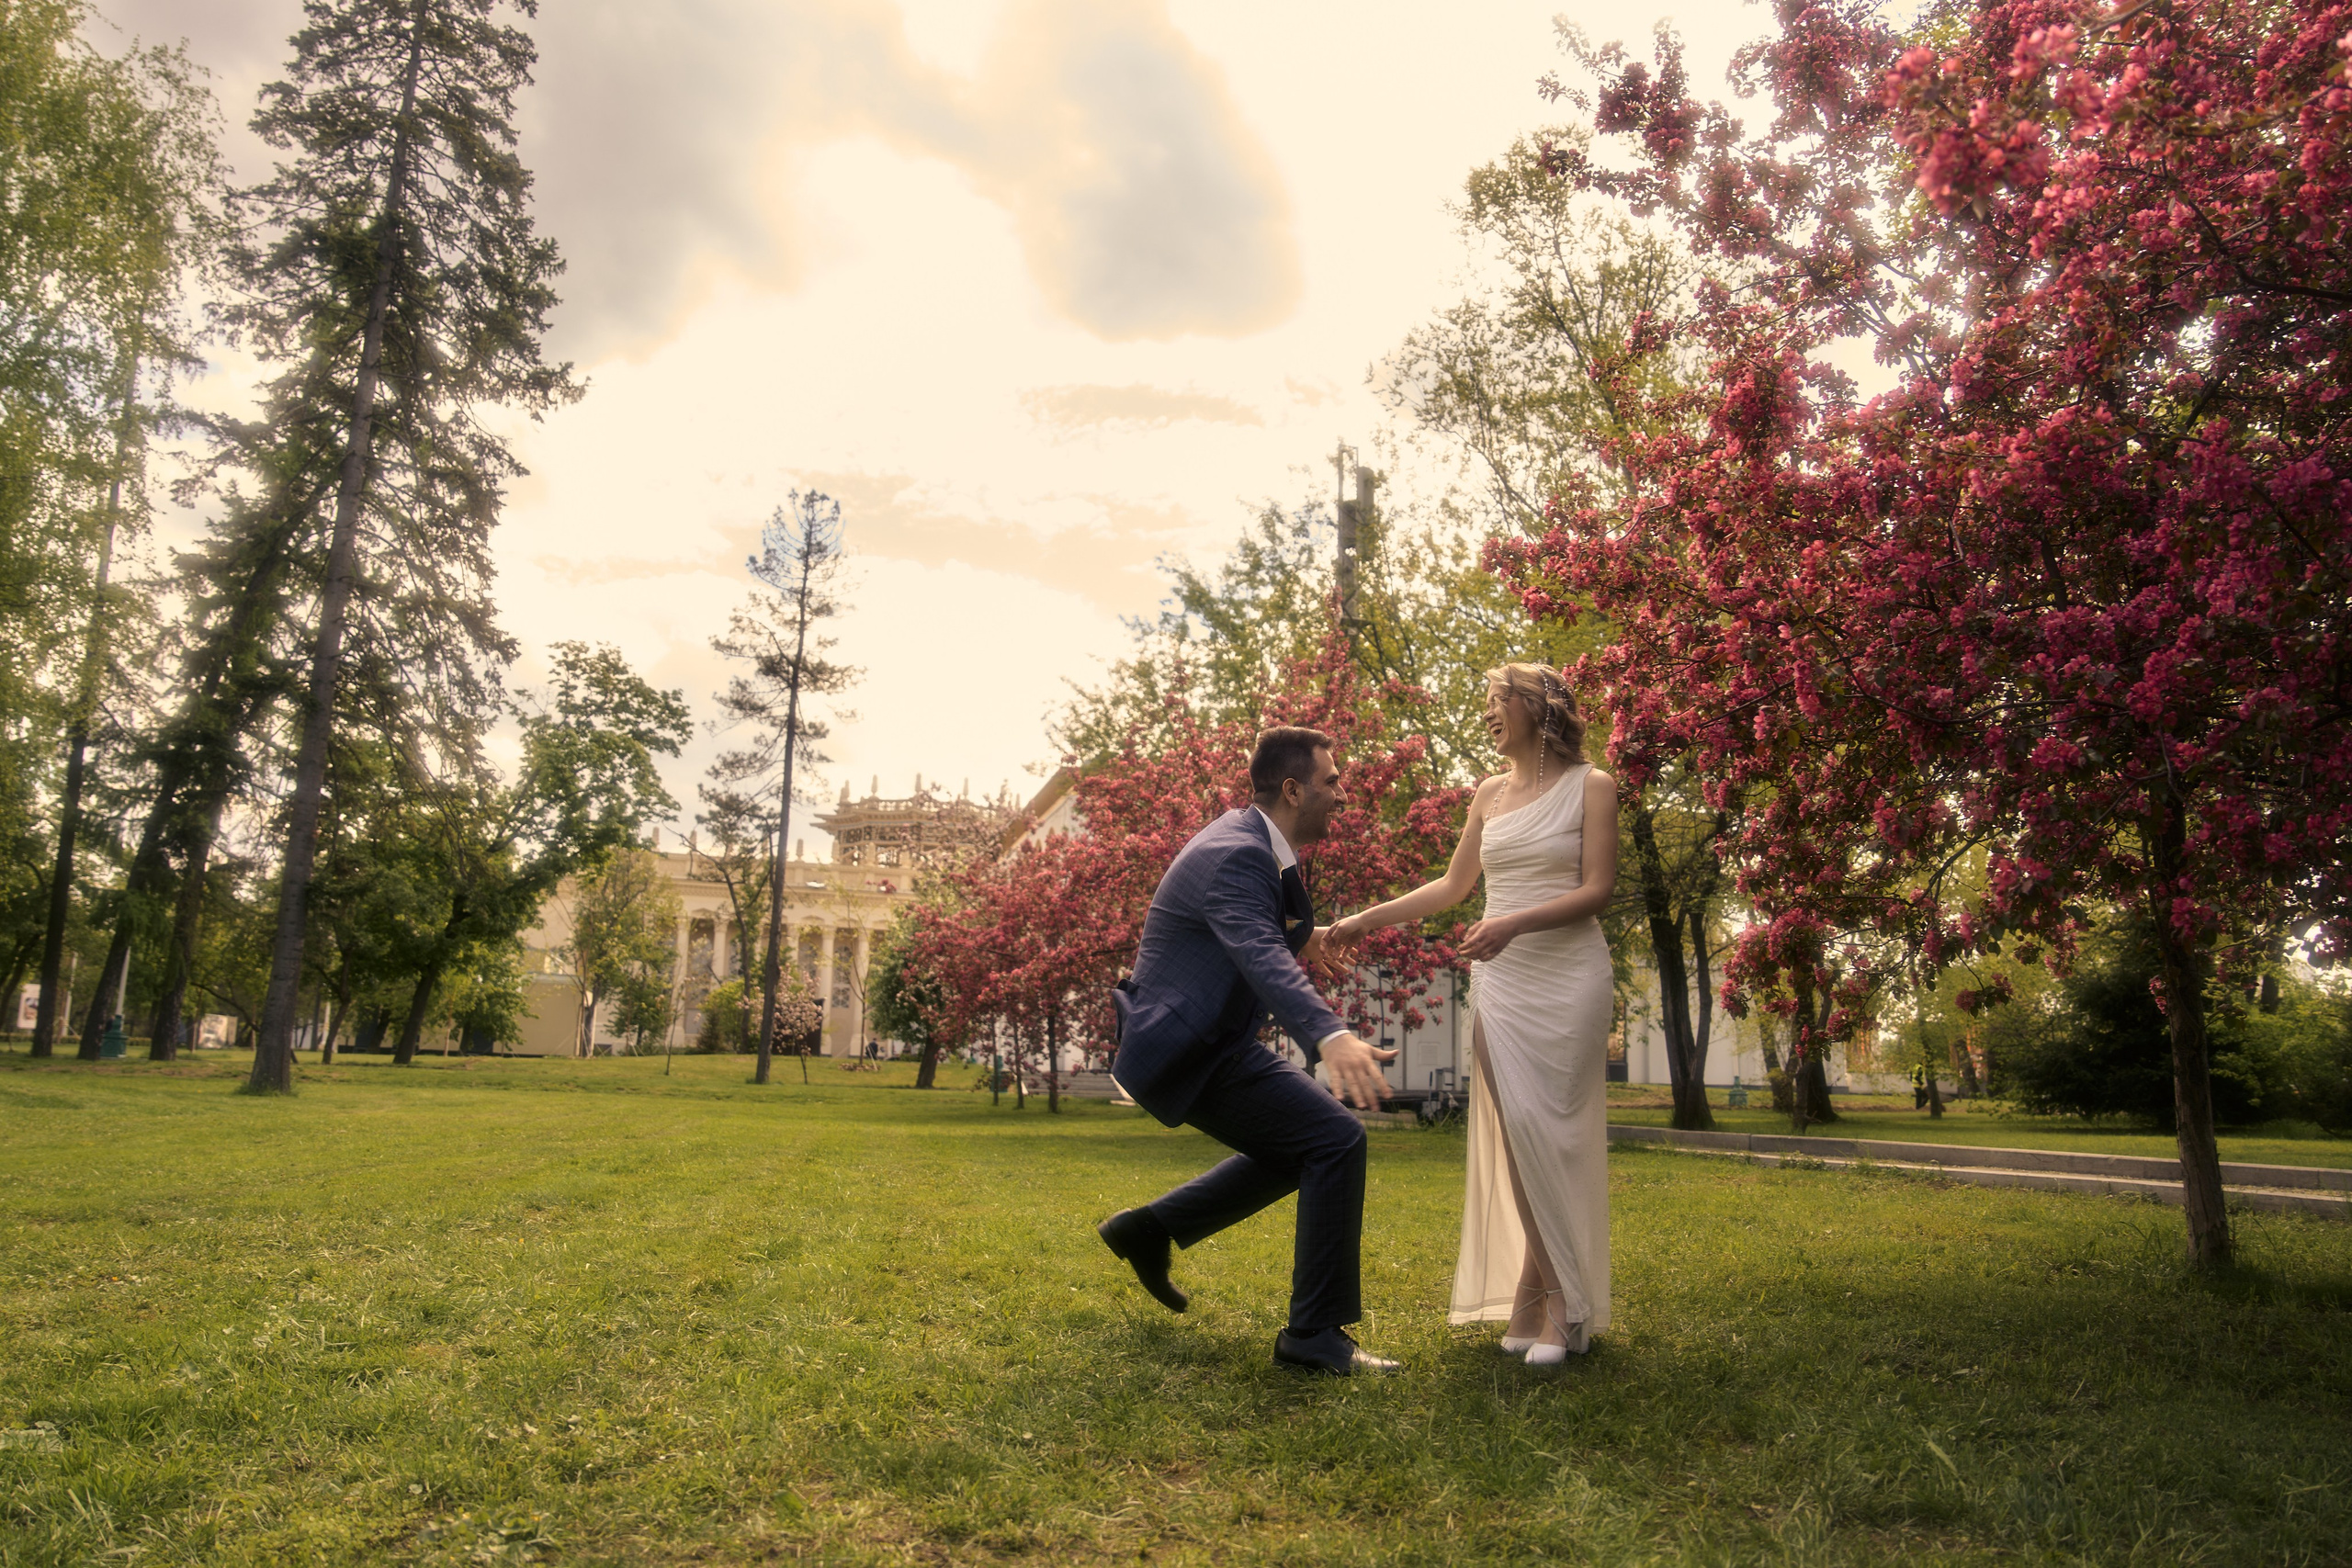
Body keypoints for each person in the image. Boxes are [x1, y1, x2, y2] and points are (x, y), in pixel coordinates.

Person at [1329, 664, 1617, 1366]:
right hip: (1504, 978)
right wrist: (1362, 920)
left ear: (1538, 704)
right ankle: (1542, 1293)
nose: (1488, 712)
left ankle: (1557, 1303)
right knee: (1518, 1130)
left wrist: (1513, 923)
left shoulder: (1594, 786)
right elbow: (1455, 886)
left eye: (1498, 700)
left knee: (1556, 1133)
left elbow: (1599, 889)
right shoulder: (1488, 794)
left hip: (1569, 973)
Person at [1096, 727, 1402, 1376]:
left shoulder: (1251, 842)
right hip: (1190, 1045)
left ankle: (1148, 1229)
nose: (1343, 794)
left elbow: (1252, 935)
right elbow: (1258, 955)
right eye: (1333, 781)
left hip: (1203, 1039)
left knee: (1308, 1145)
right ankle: (1313, 1336)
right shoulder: (1238, 853)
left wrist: (1305, 936)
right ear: (1293, 789)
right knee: (1334, 1139)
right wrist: (1328, 1034)